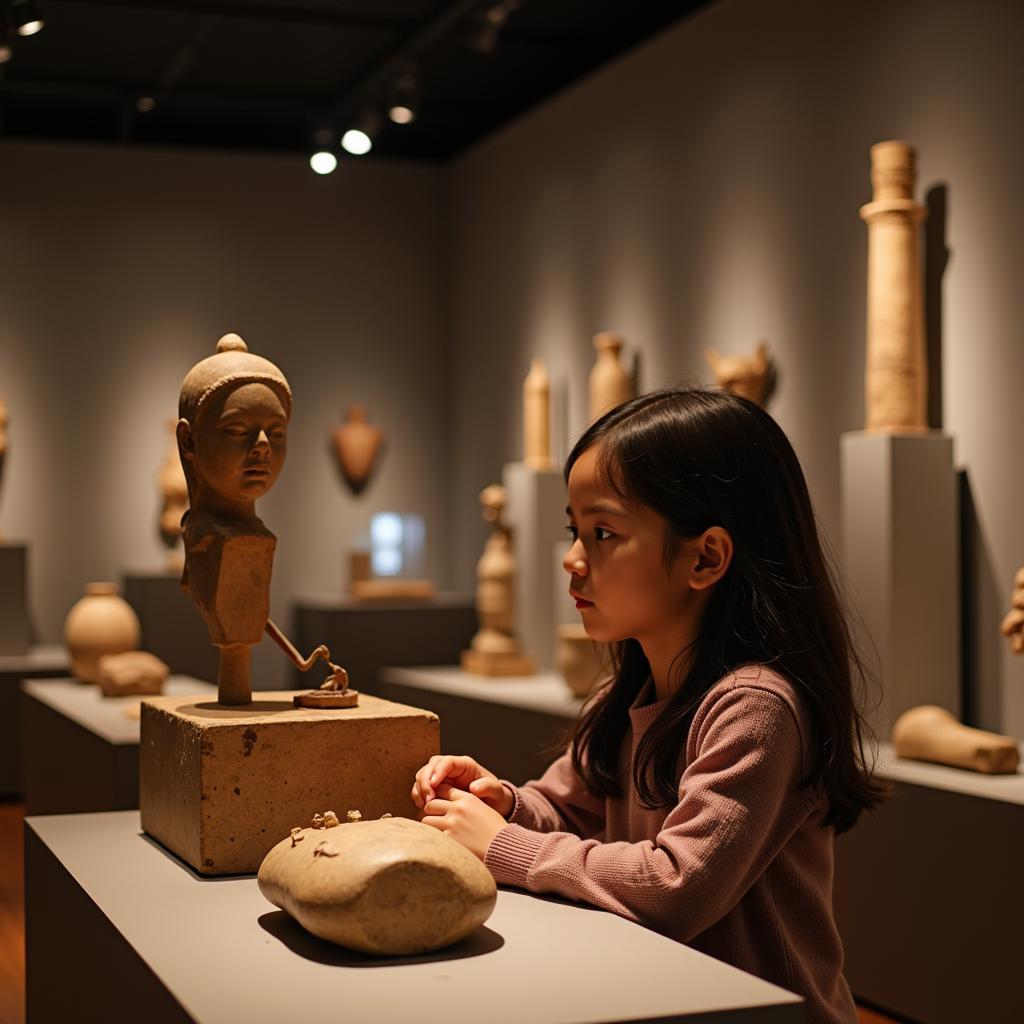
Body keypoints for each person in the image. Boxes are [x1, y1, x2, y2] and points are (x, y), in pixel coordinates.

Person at [413, 388, 886, 1024]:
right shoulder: (625, 695)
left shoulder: (757, 709)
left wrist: (505, 847)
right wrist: (504, 801)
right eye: (574, 531)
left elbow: (678, 885)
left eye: (603, 533)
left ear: (706, 556)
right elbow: (569, 808)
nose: (572, 559)